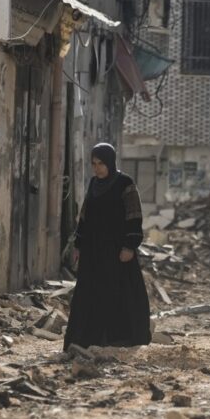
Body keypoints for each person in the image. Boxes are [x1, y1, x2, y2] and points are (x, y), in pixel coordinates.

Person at [64, 143, 152, 351]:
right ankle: (87, 340)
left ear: (110, 163)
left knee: (120, 293)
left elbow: (134, 215)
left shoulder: (125, 183)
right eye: (94, 164)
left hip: (116, 252)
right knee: (90, 295)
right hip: (94, 252)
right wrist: (78, 244)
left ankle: (119, 338)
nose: (97, 168)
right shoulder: (94, 184)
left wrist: (129, 246)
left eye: (101, 164)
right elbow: (85, 216)